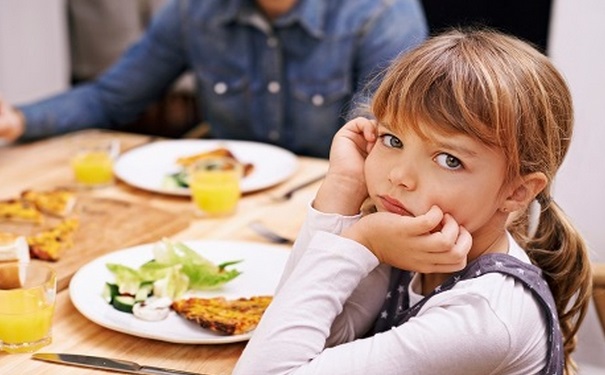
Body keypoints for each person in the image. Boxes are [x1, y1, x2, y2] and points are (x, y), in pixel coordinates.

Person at [233, 29, 592, 374]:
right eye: (392, 139)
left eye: (449, 160)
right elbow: (300, 335)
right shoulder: (406, 241)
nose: (400, 176)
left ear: (517, 192)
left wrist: (360, 242)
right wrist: (340, 191)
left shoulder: (485, 318)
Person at [0, 0, 428, 158]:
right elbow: (112, 98)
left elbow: (382, 144)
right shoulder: (193, 11)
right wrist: (18, 119)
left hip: (331, 206)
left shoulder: (382, 13)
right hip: (216, 197)